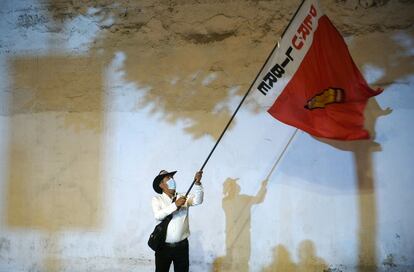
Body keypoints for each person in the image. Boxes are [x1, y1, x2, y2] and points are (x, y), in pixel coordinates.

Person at [152, 169, 204, 272]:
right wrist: (175, 205)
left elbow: (198, 200)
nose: (171, 180)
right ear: (161, 185)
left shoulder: (182, 197)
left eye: (172, 177)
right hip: (163, 247)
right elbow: (158, 215)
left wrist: (197, 183)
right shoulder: (157, 199)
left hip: (182, 247)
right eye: (168, 178)